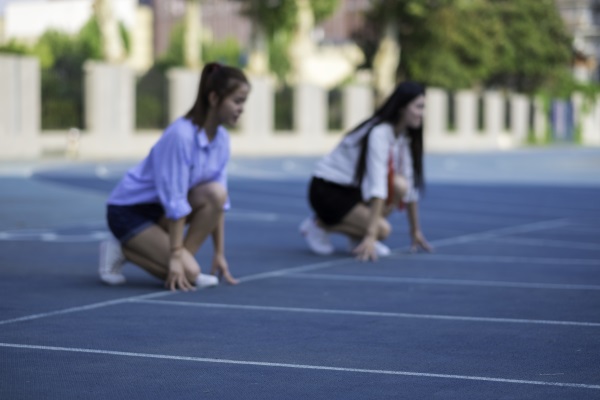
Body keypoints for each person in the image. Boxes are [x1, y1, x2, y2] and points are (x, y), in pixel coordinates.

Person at [99, 62, 250, 291]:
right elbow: (176, 200)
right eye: (237, 101)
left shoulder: (221, 140)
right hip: (130, 211)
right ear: (213, 98)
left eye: (243, 102)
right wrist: (175, 256)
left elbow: (219, 202)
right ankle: (124, 248)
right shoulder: (181, 135)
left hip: (162, 211)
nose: (242, 109)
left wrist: (219, 254)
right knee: (188, 274)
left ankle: (181, 263)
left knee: (216, 194)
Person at [300, 81, 432, 261]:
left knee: (400, 185)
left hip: (354, 192)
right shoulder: (379, 132)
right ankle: (318, 225)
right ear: (402, 107)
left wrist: (415, 230)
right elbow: (377, 183)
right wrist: (372, 235)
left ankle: (358, 236)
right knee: (383, 230)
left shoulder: (402, 136)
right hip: (327, 190)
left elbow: (409, 185)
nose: (422, 114)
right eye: (418, 107)